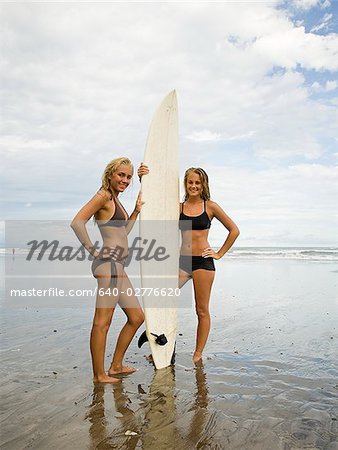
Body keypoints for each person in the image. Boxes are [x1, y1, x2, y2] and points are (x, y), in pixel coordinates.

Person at [138, 164, 240, 364]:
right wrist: (144, 179)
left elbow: (234, 230)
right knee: (162, 298)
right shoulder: (178, 207)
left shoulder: (210, 206)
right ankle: (163, 346)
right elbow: (154, 205)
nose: (193, 186)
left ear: (203, 185)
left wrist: (219, 253)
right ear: (185, 184)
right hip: (183, 261)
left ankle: (198, 353)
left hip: (203, 262)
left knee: (201, 310)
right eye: (190, 182)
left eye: (197, 182)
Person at [71, 157, 145, 383]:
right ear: (110, 174)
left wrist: (135, 212)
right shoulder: (103, 195)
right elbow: (77, 222)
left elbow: (122, 233)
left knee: (137, 317)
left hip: (118, 267)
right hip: (109, 266)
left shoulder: (116, 199)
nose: (125, 180)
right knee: (102, 322)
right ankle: (99, 375)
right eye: (121, 175)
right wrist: (93, 250)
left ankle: (115, 366)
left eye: (129, 177)